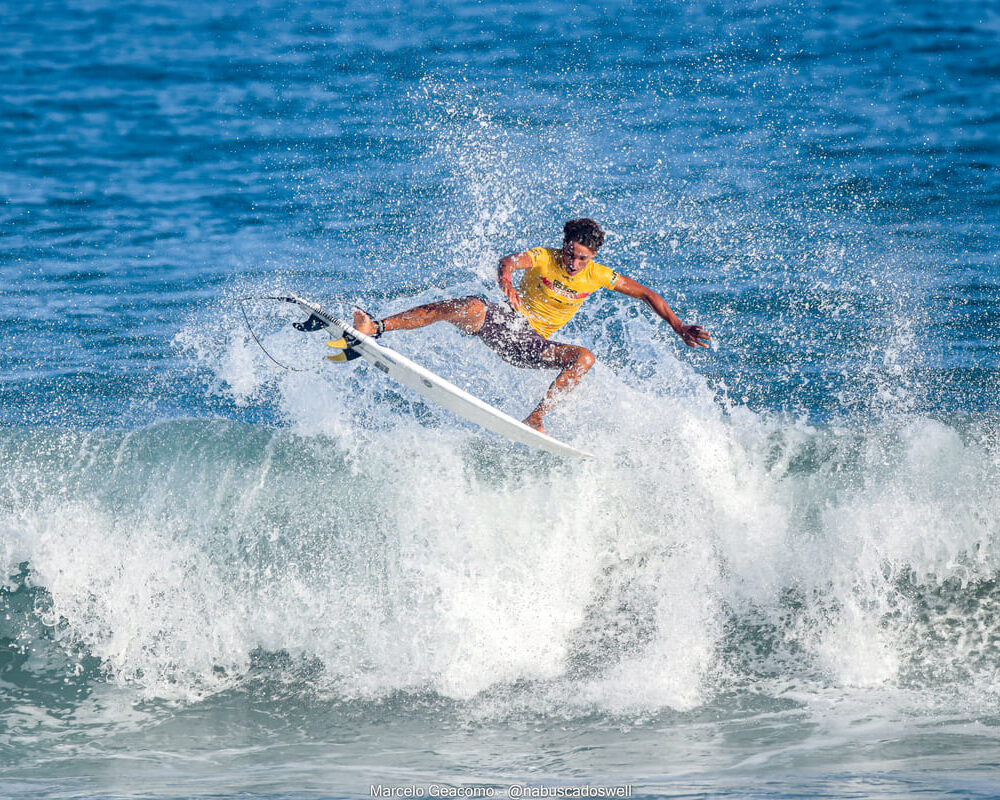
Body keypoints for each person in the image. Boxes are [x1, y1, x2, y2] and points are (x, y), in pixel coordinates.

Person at [353, 218, 710, 434]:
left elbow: (647, 294)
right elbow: (508, 261)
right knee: (468, 306)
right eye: (570, 252)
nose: (572, 262)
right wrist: (506, 279)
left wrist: (678, 327)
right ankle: (376, 327)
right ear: (563, 246)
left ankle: (535, 420)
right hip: (506, 324)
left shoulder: (600, 276)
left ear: (593, 257)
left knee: (584, 358)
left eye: (581, 257)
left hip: (533, 345)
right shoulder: (544, 257)